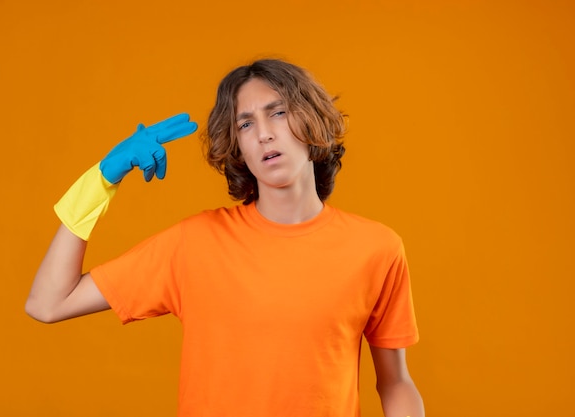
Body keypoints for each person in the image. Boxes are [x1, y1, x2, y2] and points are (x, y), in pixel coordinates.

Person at [26, 58, 425, 417]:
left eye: (279, 113)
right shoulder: (195, 243)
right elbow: (48, 302)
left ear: (312, 122)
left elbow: (395, 383)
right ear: (238, 148)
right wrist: (101, 180)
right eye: (246, 124)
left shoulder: (376, 248)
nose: (265, 134)